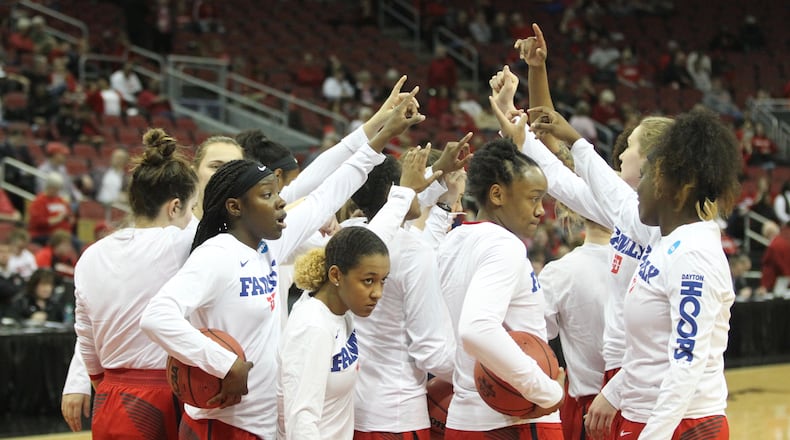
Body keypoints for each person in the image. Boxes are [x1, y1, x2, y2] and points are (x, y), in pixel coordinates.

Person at [140, 89, 425, 439]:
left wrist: (380, 137)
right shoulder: (216, 254)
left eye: (277, 194)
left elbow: (325, 193)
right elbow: (156, 316)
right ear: (235, 207)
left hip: (261, 422)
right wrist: (223, 363)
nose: (281, 204)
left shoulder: (268, 248)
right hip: (220, 424)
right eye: (268, 196)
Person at [530, 107, 739, 439]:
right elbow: (613, 197)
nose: (635, 190)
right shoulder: (665, 239)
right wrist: (570, 141)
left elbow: (686, 362)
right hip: (642, 410)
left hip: (683, 424)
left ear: (675, 188)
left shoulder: (693, 255)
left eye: (646, 177)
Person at [73, 128, 199, 438]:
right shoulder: (179, 240)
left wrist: (106, 386)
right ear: (174, 207)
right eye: (192, 208)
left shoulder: (90, 255)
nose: (193, 217)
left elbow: (86, 342)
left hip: (109, 392)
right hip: (163, 395)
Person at [437, 137, 565, 438]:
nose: (540, 211)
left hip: (466, 416)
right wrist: (546, 391)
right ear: (497, 194)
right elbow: (477, 328)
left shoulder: (452, 241)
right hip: (516, 420)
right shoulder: (503, 243)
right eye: (533, 198)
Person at [277, 226, 390, 439]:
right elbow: (301, 419)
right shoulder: (313, 327)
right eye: (368, 281)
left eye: (383, 280)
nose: (378, 293)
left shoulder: (342, 311)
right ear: (336, 275)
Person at [28, 171, 74, 245]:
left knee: (78, 243)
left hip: (63, 235)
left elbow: (69, 215)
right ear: (50, 187)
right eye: (56, 189)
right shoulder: (39, 201)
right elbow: (38, 223)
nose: (57, 192)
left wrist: (69, 218)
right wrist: (57, 219)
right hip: (45, 235)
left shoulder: (60, 200)